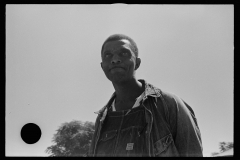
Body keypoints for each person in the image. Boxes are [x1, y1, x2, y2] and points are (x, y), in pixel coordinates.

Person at [87, 34, 203, 157]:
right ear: (102, 66)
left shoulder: (170, 105)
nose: (115, 59)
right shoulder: (102, 120)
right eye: (108, 55)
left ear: (137, 63)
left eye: (124, 53)